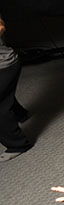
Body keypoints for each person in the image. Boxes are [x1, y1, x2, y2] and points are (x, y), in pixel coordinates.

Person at [0, 14, 32, 161]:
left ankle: (17, 144)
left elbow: (1, 27)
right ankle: (20, 114)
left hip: (4, 66)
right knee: (4, 94)